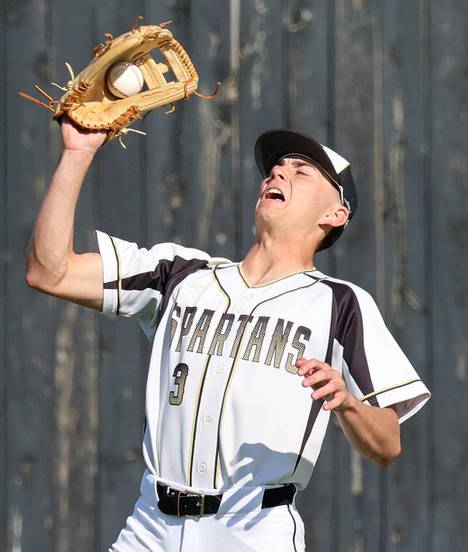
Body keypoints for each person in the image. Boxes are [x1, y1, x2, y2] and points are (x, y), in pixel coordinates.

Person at [26, 119, 431, 551]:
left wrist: (348, 403)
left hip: (252, 530)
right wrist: (77, 153)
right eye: (276, 168)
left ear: (336, 214)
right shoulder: (181, 275)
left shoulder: (340, 304)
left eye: (301, 170)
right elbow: (50, 272)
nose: (278, 172)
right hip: (151, 527)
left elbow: (388, 443)